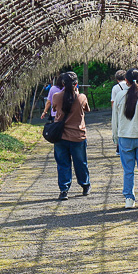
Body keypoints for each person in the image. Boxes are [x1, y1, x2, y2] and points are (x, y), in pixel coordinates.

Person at [111, 68, 138, 208]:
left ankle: (129, 199)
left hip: (124, 137)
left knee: (128, 170)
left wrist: (116, 139)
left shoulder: (119, 96)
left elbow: (115, 120)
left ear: (126, 81)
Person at [50, 71, 91, 200]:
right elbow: (87, 109)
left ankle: (64, 190)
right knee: (80, 162)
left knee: (63, 164)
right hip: (78, 136)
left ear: (62, 83)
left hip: (60, 137)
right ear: (76, 84)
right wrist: (77, 93)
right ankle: (85, 185)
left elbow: (55, 109)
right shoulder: (81, 97)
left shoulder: (56, 96)